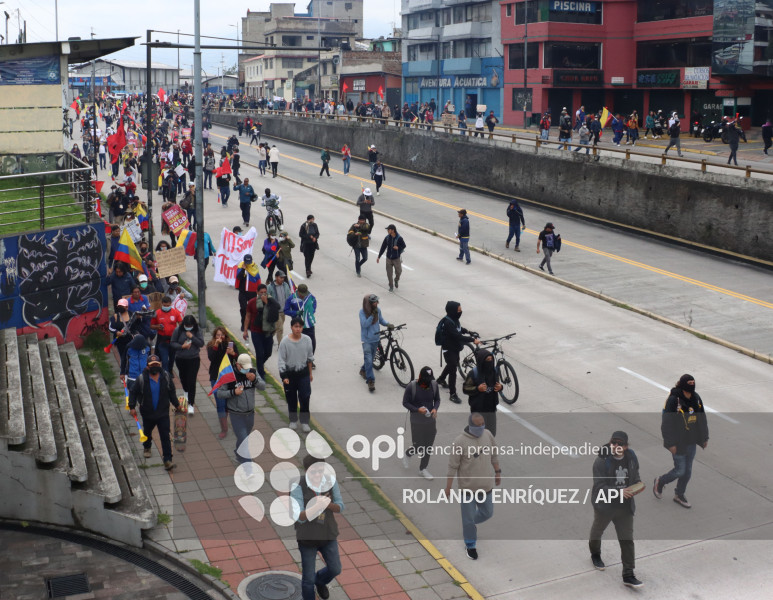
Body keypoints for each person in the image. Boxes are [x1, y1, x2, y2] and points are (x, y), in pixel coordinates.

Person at [589, 430, 645, 588]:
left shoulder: (632, 458)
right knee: (597, 531)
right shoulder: (601, 461)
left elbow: (635, 477)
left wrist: (637, 486)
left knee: (627, 540)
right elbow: (599, 487)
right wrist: (619, 492)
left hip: (624, 507)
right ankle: (595, 554)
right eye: (614, 443)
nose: (616, 446)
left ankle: (628, 574)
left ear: (626, 446)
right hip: (605, 505)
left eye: (620, 444)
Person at [445, 413, 501, 560]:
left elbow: (494, 455)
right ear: (470, 425)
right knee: (468, 519)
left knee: (487, 512)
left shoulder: (487, 435)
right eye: (478, 425)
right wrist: (448, 487)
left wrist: (497, 472)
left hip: (486, 486)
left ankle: (469, 525)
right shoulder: (459, 441)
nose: (481, 427)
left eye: (483, 423)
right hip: (467, 489)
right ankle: (470, 544)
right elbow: (452, 466)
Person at [290, 454, 345, 600]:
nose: (318, 475)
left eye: (321, 471)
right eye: (313, 471)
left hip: (328, 533)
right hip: (307, 537)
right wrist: (316, 506)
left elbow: (340, 507)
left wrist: (327, 504)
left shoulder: (331, 482)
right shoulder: (297, 486)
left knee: (335, 568)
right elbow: (299, 517)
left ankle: (320, 581)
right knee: (307, 580)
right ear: (306, 471)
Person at [653, 374, 709, 509]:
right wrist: (670, 444)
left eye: (693, 382)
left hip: (691, 441)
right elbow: (666, 424)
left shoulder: (696, 398)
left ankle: (679, 494)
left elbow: (702, 418)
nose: (692, 385)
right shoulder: (674, 400)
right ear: (683, 384)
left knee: (687, 471)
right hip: (678, 442)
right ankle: (660, 481)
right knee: (680, 470)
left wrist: (704, 437)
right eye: (689, 383)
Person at [129, 354, 180, 470]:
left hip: (163, 413)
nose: (155, 367)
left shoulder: (166, 376)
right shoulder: (141, 379)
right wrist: (132, 407)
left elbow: (172, 391)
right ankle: (147, 446)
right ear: (147, 366)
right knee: (147, 432)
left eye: (157, 364)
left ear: (160, 364)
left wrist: (177, 405)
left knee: (165, 436)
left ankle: (167, 460)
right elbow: (133, 392)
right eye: (152, 365)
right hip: (147, 413)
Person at [215, 354, 266, 463]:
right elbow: (219, 393)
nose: (246, 370)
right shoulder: (229, 375)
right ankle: (248, 466)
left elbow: (263, 387)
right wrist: (234, 392)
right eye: (244, 367)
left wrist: (255, 380)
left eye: (248, 367)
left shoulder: (253, 372)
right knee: (245, 441)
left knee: (244, 438)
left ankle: (238, 453)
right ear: (238, 365)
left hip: (250, 413)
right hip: (236, 414)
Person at [436, 301, 479, 404]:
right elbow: (458, 336)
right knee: (453, 370)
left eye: (460, 310)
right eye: (459, 310)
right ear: (452, 311)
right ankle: (452, 394)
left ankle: (441, 379)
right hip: (449, 349)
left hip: (454, 348)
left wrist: (469, 332)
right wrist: (472, 340)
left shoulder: (453, 319)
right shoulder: (448, 323)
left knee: (452, 364)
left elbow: (460, 329)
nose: (460, 312)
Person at [401, 366, 440, 479]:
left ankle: (423, 469)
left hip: (430, 421)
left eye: (430, 380)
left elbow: (437, 399)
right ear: (420, 377)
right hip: (416, 422)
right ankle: (408, 453)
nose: (428, 383)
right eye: (426, 381)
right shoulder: (411, 387)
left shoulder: (434, 385)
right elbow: (405, 402)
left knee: (428, 447)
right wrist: (417, 410)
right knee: (419, 446)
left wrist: (435, 409)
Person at [278, 317, 315, 431]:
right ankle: (293, 420)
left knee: (305, 397)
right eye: (296, 327)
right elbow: (281, 361)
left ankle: (305, 422)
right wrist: (284, 376)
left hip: (303, 374)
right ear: (291, 327)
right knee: (291, 398)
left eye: (300, 327)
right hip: (290, 375)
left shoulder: (307, 340)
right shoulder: (284, 342)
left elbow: (309, 358)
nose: (298, 329)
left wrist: (310, 374)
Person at [243, 283, 281, 379]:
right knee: (259, 353)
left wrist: (267, 303)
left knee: (268, 352)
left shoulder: (271, 301)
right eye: (261, 292)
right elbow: (247, 316)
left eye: (265, 292)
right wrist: (245, 330)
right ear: (257, 292)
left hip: (268, 332)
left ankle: (259, 365)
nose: (263, 294)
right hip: (256, 332)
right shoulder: (252, 302)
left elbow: (276, 310)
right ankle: (260, 374)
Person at [206, 327, 237, 439]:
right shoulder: (211, 345)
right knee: (220, 403)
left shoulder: (230, 343)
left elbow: (237, 358)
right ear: (214, 336)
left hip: (228, 376)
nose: (220, 337)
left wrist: (232, 353)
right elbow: (211, 358)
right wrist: (216, 346)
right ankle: (224, 428)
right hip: (216, 377)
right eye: (218, 335)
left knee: (228, 402)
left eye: (222, 335)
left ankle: (225, 415)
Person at [462, 349, 502, 436]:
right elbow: (465, 388)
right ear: (481, 361)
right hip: (478, 410)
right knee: (477, 435)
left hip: (491, 408)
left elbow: (498, 384)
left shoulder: (494, 371)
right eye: (487, 360)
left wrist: (500, 387)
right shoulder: (474, 373)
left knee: (491, 434)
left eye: (491, 360)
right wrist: (477, 389)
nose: (490, 362)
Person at [170, 315, 204, 415]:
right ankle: (185, 392)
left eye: (190, 325)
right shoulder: (178, 330)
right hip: (181, 359)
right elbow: (172, 343)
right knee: (183, 378)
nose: (188, 327)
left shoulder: (197, 330)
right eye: (186, 325)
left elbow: (201, 343)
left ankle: (191, 404)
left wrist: (192, 337)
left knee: (191, 381)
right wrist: (182, 346)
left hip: (193, 359)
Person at [359, 294, 392, 393]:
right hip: (367, 341)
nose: (376, 303)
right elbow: (364, 324)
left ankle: (363, 370)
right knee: (369, 360)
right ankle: (371, 381)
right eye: (374, 302)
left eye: (377, 301)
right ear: (369, 303)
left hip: (376, 339)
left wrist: (387, 324)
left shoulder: (378, 310)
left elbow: (381, 320)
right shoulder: (362, 312)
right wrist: (372, 316)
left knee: (370, 360)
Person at [150, 295, 183, 375]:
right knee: (164, 360)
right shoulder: (157, 313)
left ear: (171, 304)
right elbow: (151, 326)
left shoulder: (175, 312)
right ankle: (165, 374)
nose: (166, 307)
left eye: (168, 305)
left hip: (173, 340)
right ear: (162, 304)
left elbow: (181, 324)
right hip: (162, 340)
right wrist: (157, 326)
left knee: (172, 358)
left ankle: (170, 370)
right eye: (165, 305)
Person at [284, 283, 318, 353]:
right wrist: (295, 313)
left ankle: (310, 360)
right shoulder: (292, 298)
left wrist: (311, 311)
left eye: (305, 293)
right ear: (298, 291)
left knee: (312, 344)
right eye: (302, 294)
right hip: (298, 326)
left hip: (309, 324)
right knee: (300, 346)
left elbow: (314, 302)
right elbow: (286, 310)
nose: (303, 296)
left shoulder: (309, 296)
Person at [376, 223, 406, 292]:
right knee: (389, 273)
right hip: (388, 258)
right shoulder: (387, 238)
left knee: (399, 271)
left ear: (392, 230)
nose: (387, 231)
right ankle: (391, 286)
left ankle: (396, 280)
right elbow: (383, 247)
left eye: (388, 229)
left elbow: (404, 245)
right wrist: (379, 256)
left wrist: (398, 247)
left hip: (396, 258)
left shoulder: (399, 238)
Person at [235, 254, 261, 327]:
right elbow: (238, 277)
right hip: (243, 292)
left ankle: (250, 325)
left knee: (252, 310)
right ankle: (243, 324)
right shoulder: (240, 267)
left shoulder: (254, 267)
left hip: (252, 292)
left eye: (249, 262)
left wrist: (259, 290)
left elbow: (258, 279)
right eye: (246, 262)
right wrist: (243, 269)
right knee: (243, 309)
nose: (248, 263)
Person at [268, 270, 292, 345]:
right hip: (275, 311)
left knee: (277, 328)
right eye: (281, 277)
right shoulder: (270, 287)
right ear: (276, 277)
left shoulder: (285, 285)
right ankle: (281, 345)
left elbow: (289, 295)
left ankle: (268, 338)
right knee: (280, 329)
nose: (282, 279)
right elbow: (267, 298)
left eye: (283, 278)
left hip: (283, 311)